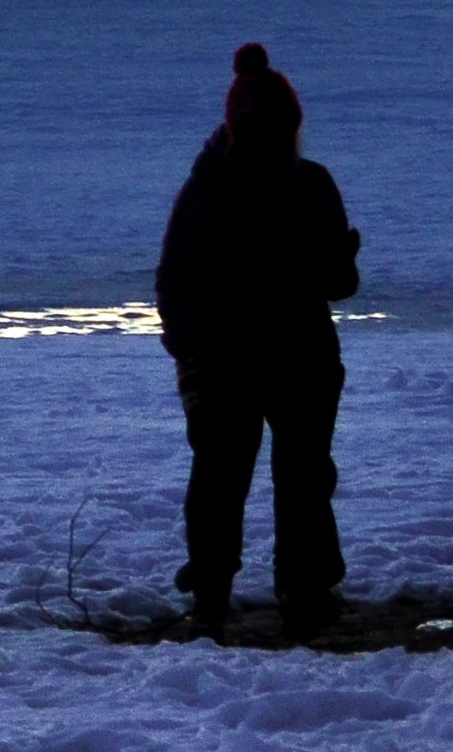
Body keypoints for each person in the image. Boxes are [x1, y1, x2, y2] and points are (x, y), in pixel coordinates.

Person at [154, 42, 361, 635]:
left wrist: (337, 263)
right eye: (265, 127)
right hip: (235, 364)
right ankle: (226, 594)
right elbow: (175, 282)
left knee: (294, 480)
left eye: (281, 127)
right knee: (236, 482)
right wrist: (191, 358)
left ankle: (293, 591)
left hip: (290, 361)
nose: (274, 139)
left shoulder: (303, 185)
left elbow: (336, 283)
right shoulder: (213, 193)